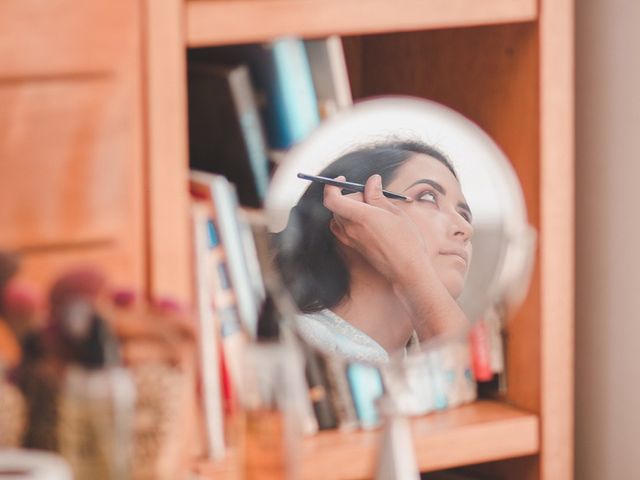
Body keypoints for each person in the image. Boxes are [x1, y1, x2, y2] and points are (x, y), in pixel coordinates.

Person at [274, 140, 473, 363]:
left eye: (464, 214)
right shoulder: (296, 342)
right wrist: (413, 268)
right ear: (352, 213)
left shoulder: (412, 363)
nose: (466, 228)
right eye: (428, 197)